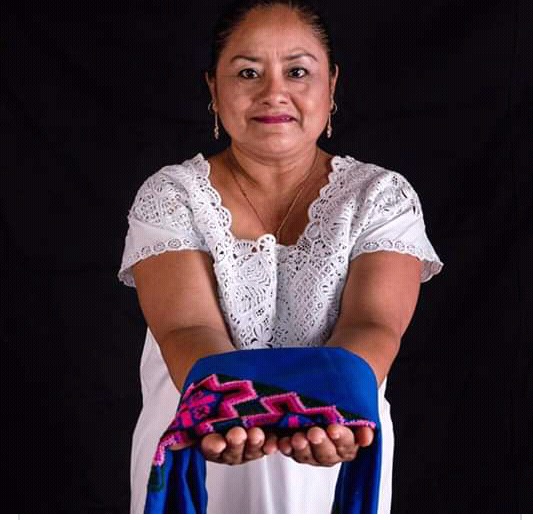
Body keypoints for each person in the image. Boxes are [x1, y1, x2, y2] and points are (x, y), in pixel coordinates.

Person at [117, 0, 443, 513]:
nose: (274, 92)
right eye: (248, 72)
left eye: (297, 72)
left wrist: (329, 415)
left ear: (331, 85)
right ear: (213, 89)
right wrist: (233, 409)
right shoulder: (172, 193)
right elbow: (186, 330)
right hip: (206, 441)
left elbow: (374, 324)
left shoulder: (380, 195)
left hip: (336, 442)